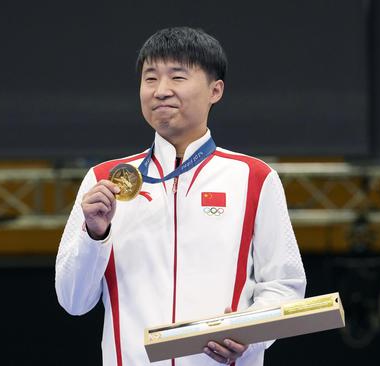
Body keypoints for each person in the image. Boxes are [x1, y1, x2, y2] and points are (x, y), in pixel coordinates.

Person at [55, 27, 306, 365]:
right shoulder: (104, 181)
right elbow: (73, 300)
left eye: (177, 77)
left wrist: (251, 337)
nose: (161, 91)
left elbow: (284, 285)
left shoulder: (254, 178)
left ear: (215, 90)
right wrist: (94, 234)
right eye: (150, 79)